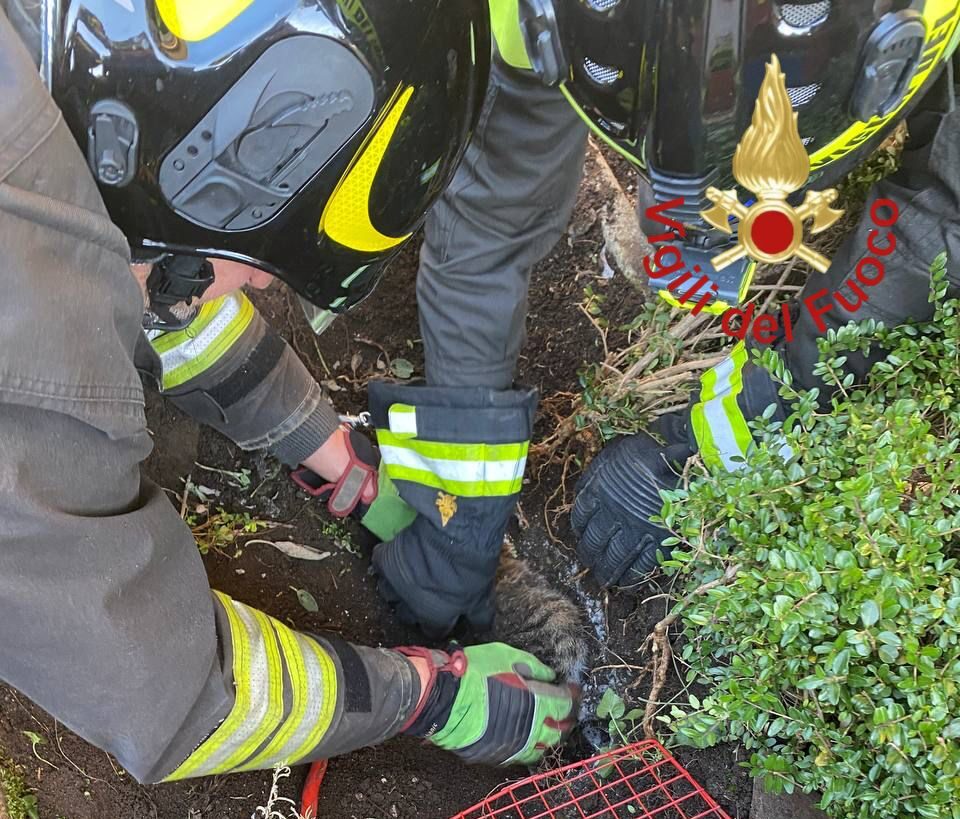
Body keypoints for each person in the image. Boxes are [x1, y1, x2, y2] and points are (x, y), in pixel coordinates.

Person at [0, 0, 576, 785]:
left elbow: (153, 303)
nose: (264, 283)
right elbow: (176, 695)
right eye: (262, 263)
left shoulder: (47, 94)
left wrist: (340, 464)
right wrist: (428, 694)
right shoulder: (22, 407)